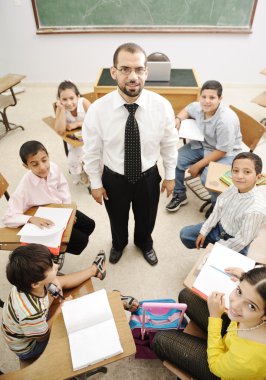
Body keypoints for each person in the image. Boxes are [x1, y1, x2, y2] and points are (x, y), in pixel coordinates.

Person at [82, 42, 178, 266]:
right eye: (125, 69)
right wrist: (95, 183)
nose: (132, 76)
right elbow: (91, 150)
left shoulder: (162, 106)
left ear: (147, 72)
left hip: (148, 176)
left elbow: (169, 143)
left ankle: (145, 243)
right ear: (113, 72)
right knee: (117, 218)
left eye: (139, 69)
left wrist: (171, 175)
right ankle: (118, 243)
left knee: (147, 218)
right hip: (114, 178)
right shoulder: (97, 110)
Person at [153, 266, 266, 380]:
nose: (235, 305)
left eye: (251, 306)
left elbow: (215, 366)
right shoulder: (253, 316)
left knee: (160, 339)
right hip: (231, 336)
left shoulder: (249, 357)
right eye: (239, 291)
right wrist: (248, 279)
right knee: (186, 295)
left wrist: (215, 317)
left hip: (221, 371)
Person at [1, 244, 106, 360]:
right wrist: (59, 311)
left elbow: (50, 284)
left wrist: (52, 285)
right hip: (31, 346)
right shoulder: (31, 313)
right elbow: (42, 336)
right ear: (36, 284)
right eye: (51, 267)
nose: (56, 266)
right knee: (73, 329)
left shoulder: (24, 282)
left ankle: (94, 270)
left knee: (57, 282)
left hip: (34, 324)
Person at [2, 141, 95, 258]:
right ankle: (48, 252)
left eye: (44, 160)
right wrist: (31, 219)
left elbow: (62, 186)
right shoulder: (25, 187)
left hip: (59, 210)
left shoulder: (54, 167)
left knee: (90, 225)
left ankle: (59, 244)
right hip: (43, 218)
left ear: (48, 156)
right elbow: (7, 218)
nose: (42, 167)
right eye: (35, 164)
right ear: (26, 166)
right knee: (81, 242)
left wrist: (68, 211)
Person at [166, 80, 242, 213]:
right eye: (204, 97)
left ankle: (217, 206)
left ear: (220, 99)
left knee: (207, 177)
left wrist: (198, 165)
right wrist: (178, 118)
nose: (206, 101)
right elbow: (188, 109)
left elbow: (222, 150)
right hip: (204, 145)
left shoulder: (225, 120)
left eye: (212, 97)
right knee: (175, 159)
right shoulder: (199, 107)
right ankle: (180, 194)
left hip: (225, 152)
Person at [179, 152, 266, 255]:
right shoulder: (234, 187)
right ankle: (212, 244)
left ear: (258, 177)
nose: (239, 176)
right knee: (185, 235)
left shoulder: (256, 210)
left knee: (216, 264)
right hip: (220, 228)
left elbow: (242, 240)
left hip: (236, 241)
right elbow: (218, 209)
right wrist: (204, 231)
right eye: (235, 171)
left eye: (247, 172)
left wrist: (216, 250)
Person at [54, 80, 90, 186]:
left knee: (95, 155)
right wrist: (61, 109)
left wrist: (78, 123)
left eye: (71, 98)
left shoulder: (83, 102)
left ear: (77, 96)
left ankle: (93, 172)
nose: (69, 103)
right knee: (73, 159)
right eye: (64, 99)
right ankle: (82, 173)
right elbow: (60, 130)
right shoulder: (61, 108)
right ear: (59, 100)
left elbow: (97, 121)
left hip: (91, 137)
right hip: (75, 143)